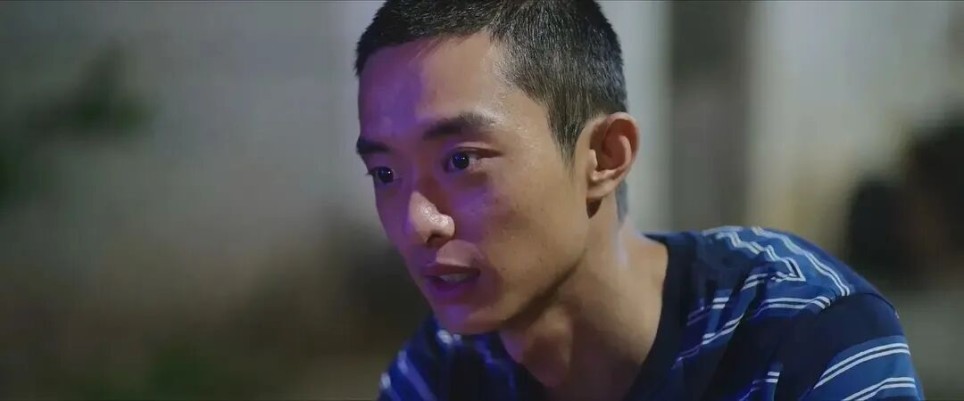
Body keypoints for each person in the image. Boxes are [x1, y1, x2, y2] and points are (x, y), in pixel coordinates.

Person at [351, 1, 924, 400]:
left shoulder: (801, 333)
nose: (415, 222)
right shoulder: (444, 370)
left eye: (461, 161)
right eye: (385, 172)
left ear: (604, 156)